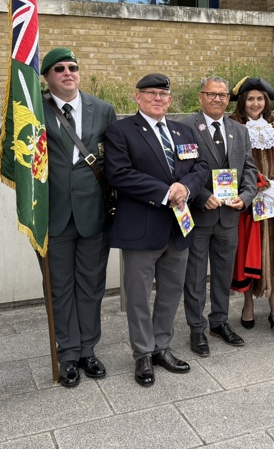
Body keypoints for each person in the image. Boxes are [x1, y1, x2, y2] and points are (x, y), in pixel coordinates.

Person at [105, 74, 209, 386]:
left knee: (171, 291)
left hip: (178, 227)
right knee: (138, 296)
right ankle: (142, 354)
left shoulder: (182, 130)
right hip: (141, 228)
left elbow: (201, 167)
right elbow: (119, 174)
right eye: (151, 93)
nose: (158, 98)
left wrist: (185, 187)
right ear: (138, 97)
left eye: (163, 94)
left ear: (170, 100)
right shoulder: (121, 131)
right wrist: (166, 192)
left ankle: (162, 347)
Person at [38, 47, 116, 387]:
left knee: (91, 286)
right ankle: (67, 353)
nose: (67, 73)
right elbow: (5, 148)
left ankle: (87, 350)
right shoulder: (31, 109)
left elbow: (116, 157)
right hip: (52, 215)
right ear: (46, 76)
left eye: (72, 67)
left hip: (93, 213)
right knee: (59, 288)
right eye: (59, 69)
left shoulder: (103, 109)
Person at [183, 76, 258, 356]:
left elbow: (249, 169)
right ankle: (196, 328)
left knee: (223, 274)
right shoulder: (185, 128)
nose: (217, 99)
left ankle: (219, 322)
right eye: (211, 94)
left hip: (229, 216)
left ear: (229, 99)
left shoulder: (239, 130)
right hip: (199, 215)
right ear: (200, 96)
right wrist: (201, 195)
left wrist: (246, 196)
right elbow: (181, 170)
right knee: (194, 277)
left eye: (223, 95)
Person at [229, 77, 274, 339]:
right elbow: (231, 163)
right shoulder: (233, 126)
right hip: (247, 200)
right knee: (248, 254)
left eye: (260, 99)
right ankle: (248, 305)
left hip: (272, 201)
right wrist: (257, 185)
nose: (255, 103)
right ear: (242, 102)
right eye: (250, 99)